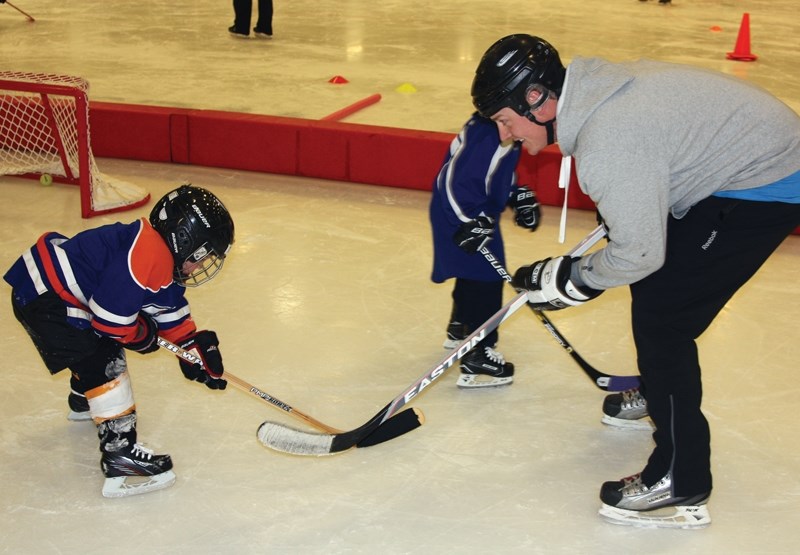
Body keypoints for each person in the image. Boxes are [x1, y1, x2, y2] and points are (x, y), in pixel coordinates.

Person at [470, 34, 800, 528]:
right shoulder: (598, 95)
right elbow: (652, 177)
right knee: (659, 287)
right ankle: (658, 390)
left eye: (503, 119)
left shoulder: (610, 139)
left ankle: (679, 475)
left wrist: (573, 279)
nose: (504, 135)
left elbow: (639, 253)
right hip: (737, 163)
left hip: (765, 181)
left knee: (664, 317)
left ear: (536, 99)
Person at [4, 184, 235, 498]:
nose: (200, 266)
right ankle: (121, 455)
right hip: (48, 300)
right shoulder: (149, 252)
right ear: (186, 241)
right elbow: (111, 322)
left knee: (90, 342)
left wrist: (191, 346)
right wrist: (143, 336)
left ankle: (84, 397)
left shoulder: (156, 253)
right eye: (202, 256)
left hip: (47, 292)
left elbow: (167, 308)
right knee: (105, 355)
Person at [430, 112, 541, 388]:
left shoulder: (500, 125)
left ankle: (461, 326)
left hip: (468, 215)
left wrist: (516, 195)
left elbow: (497, 169)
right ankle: (479, 354)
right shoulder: (487, 132)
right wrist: (467, 222)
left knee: (472, 273)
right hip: (460, 215)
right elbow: (452, 180)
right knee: (488, 281)